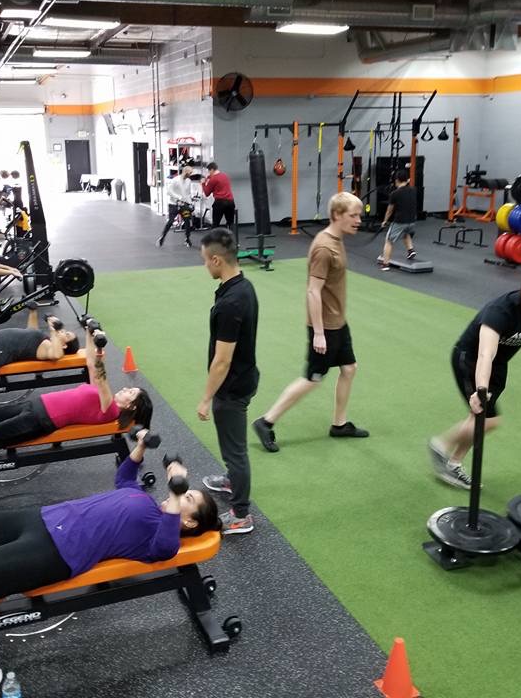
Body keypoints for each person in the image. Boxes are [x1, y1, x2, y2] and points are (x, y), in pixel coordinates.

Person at [0, 436, 221, 698]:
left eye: (189, 498)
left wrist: (176, 491)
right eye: (186, 493)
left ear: (190, 521)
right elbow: (124, 478)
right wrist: (142, 447)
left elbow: (167, 549)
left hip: (57, 551)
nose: (181, 496)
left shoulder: (158, 535)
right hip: (42, 518)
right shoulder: (144, 500)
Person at [0, 327, 154, 507]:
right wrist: (89, 332)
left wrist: (100, 350)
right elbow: (89, 362)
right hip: (33, 405)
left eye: (130, 392)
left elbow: (101, 378)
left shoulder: (111, 410)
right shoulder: (104, 397)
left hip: (39, 420)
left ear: (131, 406)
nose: (125, 389)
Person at [428, 268, 521, 489]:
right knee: (489, 420)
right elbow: (485, 354)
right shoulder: (500, 311)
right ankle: (440, 445)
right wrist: (480, 389)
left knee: (478, 420)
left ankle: (454, 463)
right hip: (470, 360)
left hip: (499, 364)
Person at [252, 192, 370, 453]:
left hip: (338, 322)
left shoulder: (337, 240)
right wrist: (318, 333)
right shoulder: (324, 248)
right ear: (337, 215)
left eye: (359, 215)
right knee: (313, 379)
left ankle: (339, 424)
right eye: (353, 215)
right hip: (325, 327)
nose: (358, 220)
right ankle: (266, 421)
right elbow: (313, 291)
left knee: (349, 368)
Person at [196, 228, 259, 535]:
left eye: (205, 260)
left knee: (235, 451)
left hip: (232, 386)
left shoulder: (231, 302)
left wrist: (206, 398)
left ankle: (241, 514)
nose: (205, 265)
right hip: (242, 377)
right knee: (232, 446)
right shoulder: (241, 286)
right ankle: (232, 480)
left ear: (217, 260)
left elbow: (222, 360)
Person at [378, 169, 418, 271]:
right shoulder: (413, 190)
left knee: (389, 241)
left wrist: (384, 221)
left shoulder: (395, 193)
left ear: (396, 180)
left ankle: (385, 264)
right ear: (407, 179)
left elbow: (389, 210)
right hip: (412, 221)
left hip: (400, 221)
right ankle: (411, 250)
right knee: (405, 233)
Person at [157, 165, 194, 248]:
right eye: (189, 173)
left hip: (184, 205)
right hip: (173, 204)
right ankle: (162, 237)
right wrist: (178, 197)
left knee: (187, 221)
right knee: (170, 221)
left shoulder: (188, 181)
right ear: (185, 172)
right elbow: (169, 191)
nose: (190, 174)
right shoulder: (175, 180)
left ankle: (187, 239)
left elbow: (188, 193)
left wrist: (190, 203)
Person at [201, 162, 236, 231]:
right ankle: (232, 236)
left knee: (215, 224)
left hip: (220, 202)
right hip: (230, 201)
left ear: (212, 170)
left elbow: (207, 193)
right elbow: (218, 181)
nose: (208, 173)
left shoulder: (213, 179)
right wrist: (208, 177)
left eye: (208, 171)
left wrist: (203, 183)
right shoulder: (225, 175)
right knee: (230, 223)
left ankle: (215, 237)